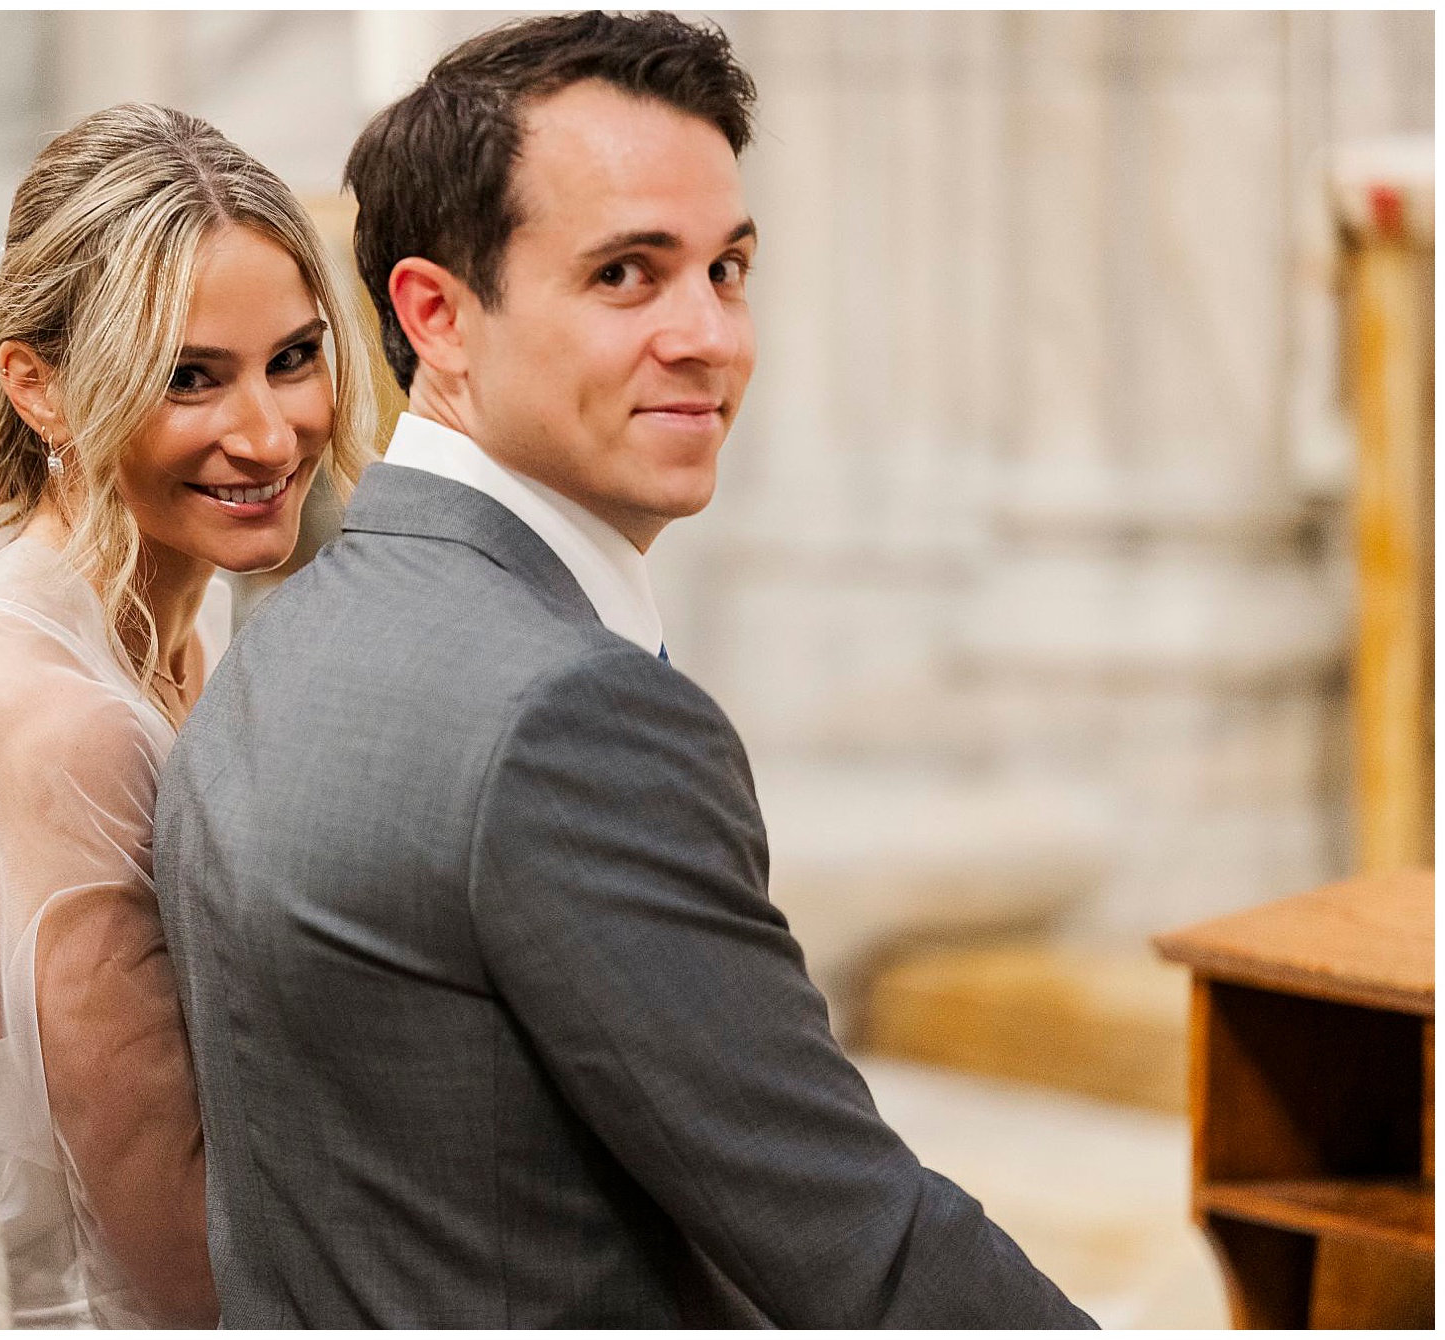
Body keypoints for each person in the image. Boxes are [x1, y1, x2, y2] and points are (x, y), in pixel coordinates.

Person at [154, 12, 1096, 1328]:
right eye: (627, 277)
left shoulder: (291, 629)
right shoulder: (568, 717)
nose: (710, 335)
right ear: (437, 313)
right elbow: (858, 1246)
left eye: (729, 269)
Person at [0, 103, 377, 1328]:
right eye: (189, 377)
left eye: (292, 356)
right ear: (39, 387)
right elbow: (166, 1241)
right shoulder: (65, 726)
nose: (269, 433)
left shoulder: (181, 638)